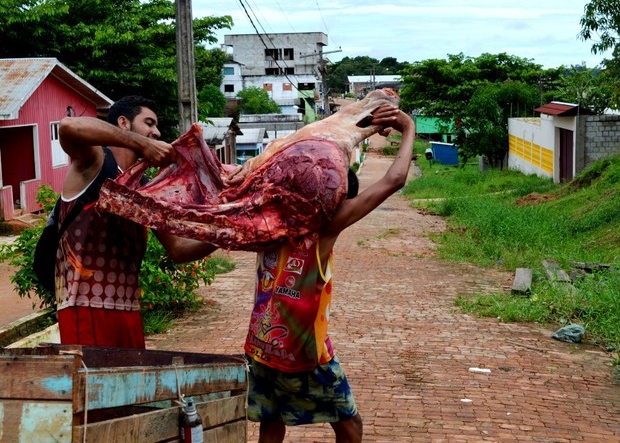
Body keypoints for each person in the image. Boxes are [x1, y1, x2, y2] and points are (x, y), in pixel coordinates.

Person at [243, 103, 416, 443]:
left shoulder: (267, 222)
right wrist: (407, 127)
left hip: (261, 346)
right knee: (350, 425)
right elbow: (394, 179)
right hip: (306, 351)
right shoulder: (322, 229)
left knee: (272, 421)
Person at [56, 95, 216, 348]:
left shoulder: (144, 191)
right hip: (85, 305)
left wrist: (229, 233)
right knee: (96, 385)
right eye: (149, 124)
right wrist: (140, 143)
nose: (157, 132)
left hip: (128, 308)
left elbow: (178, 249)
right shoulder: (96, 162)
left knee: (127, 385)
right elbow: (68, 126)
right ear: (124, 122)